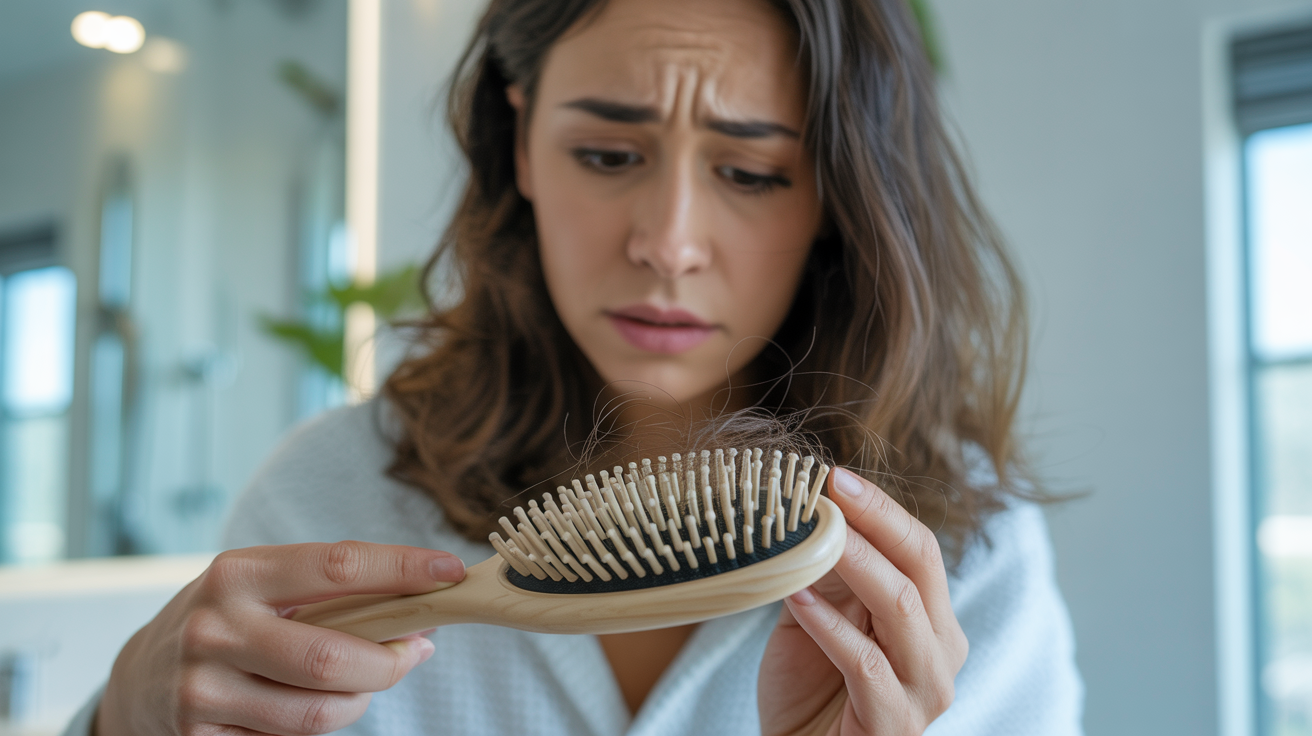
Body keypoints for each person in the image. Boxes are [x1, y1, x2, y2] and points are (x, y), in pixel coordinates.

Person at [72, 0, 1083, 733]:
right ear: (517, 141)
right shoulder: (321, 504)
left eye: (749, 173)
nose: (667, 243)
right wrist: (120, 718)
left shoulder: (962, 560)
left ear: (835, 198)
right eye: (607, 155)